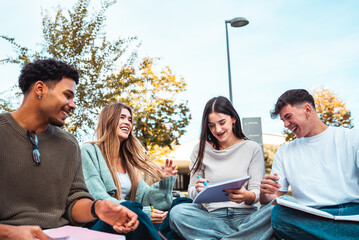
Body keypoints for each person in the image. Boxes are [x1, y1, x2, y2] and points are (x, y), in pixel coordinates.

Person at [0, 59, 139, 240]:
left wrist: (97, 208)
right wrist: (9, 233)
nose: (73, 105)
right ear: (40, 89)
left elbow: (73, 202)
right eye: (67, 95)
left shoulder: (69, 144)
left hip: (63, 234)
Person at [169, 96, 274, 240]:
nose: (217, 129)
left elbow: (255, 192)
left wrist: (248, 196)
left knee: (275, 210)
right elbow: (192, 190)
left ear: (233, 119)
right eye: (211, 125)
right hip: (212, 218)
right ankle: (242, 237)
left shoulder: (252, 148)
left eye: (222, 122)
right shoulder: (200, 149)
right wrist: (198, 190)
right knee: (177, 213)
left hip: (246, 218)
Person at [260, 89, 359, 240]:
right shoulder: (284, 151)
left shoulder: (351, 138)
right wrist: (265, 193)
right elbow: (274, 198)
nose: (286, 125)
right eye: (283, 120)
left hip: (352, 213)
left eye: (288, 117)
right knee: (279, 214)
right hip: (310, 216)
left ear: (307, 109)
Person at [81, 102, 179, 240]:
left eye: (130, 119)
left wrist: (165, 182)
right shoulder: (89, 151)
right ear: (109, 120)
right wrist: (142, 213)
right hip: (102, 224)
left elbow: (145, 198)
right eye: (122, 117)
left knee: (179, 203)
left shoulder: (128, 162)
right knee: (131, 208)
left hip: (130, 220)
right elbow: (98, 197)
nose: (127, 122)